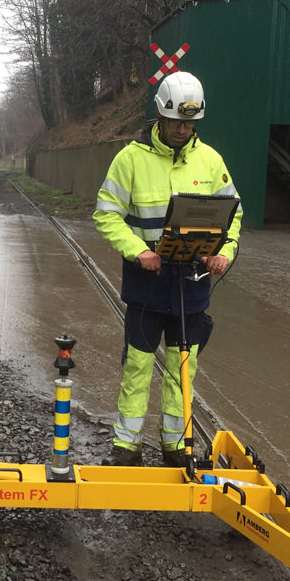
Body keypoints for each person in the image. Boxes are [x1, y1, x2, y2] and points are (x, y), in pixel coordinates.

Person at [93, 70, 241, 467]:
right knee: (138, 364)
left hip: (192, 283)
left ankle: (176, 444)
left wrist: (224, 253)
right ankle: (127, 445)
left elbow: (233, 215)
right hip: (147, 282)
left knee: (183, 368)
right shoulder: (130, 159)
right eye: (176, 121)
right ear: (160, 113)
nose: (182, 129)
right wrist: (138, 250)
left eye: (190, 123)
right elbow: (106, 215)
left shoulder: (211, 161)